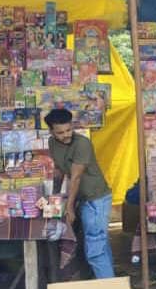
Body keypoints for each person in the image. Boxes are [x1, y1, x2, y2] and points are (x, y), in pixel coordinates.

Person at [45, 109, 114, 279]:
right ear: (51, 132)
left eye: (68, 130)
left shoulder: (82, 143)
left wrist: (69, 207)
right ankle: (113, 285)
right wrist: (54, 197)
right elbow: (60, 170)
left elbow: (75, 178)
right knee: (99, 244)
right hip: (82, 198)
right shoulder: (52, 143)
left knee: (95, 248)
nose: (66, 135)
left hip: (96, 198)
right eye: (60, 133)